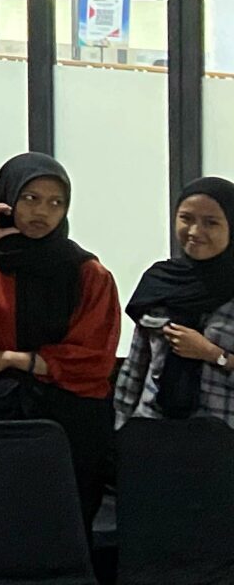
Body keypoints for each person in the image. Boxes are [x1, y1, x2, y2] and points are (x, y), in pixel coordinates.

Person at [0, 154, 122, 524]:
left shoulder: (88, 272)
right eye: (30, 198)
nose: (41, 211)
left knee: (63, 522)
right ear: (7, 200)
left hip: (70, 413)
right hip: (0, 409)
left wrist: (12, 359)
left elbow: (93, 360)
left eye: (55, 202)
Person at [118, 177, 234, 424]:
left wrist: (213, 354)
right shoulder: (161, 281)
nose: (194, 232)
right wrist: (122, 428)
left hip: (224, 434)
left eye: (211, 223)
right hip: (155, 428)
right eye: (186, 219)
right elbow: (136, 366)